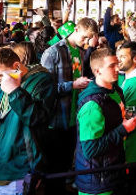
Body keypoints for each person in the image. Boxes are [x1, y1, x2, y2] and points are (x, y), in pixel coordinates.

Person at [0, 47, 55, 195]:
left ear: (16, 67)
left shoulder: (42, 81)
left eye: (0, 75)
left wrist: (14, 91)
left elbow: (37, 118)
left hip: (18, 167)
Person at [39, 17, 96, 192]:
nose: (86, 42)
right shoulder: (53, 52)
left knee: (64, 165)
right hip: (55, 119)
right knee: (54, 169)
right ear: (76, 29)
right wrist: (72, 85)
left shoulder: (78, 51)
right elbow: (44, 89)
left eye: (89, 39)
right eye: (85, 37)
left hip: (73, 117)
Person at [75, 48, 136, 195]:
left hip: (113, 173)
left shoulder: (116, 90)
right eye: (112, 66)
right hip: (97, 182)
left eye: (117, 63)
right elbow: (90, 150)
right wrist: (123, 129)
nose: (118, 68)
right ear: (97, 71)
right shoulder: (92, 105)